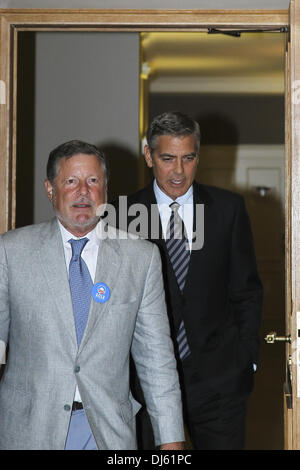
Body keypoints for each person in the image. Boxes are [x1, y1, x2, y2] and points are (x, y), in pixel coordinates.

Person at [0, 139, 184, 450]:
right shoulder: (11, 251)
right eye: (70, 181)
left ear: (106, 189)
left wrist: (172, 441)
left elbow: (157, 361)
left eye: (93, 180)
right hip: (29, 430)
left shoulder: (141, 258)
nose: (83, 191)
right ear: (50, 189)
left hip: (108, 432)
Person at [113, 111, 263, 450]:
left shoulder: (228, 209)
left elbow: (247, 290)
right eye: (167, 158)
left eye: (188, 158)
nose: (178, 171)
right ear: (149, 156)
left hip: (219, 383)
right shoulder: (121, 216)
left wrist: (246, 359)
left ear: (198, 155)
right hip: (145, 382)